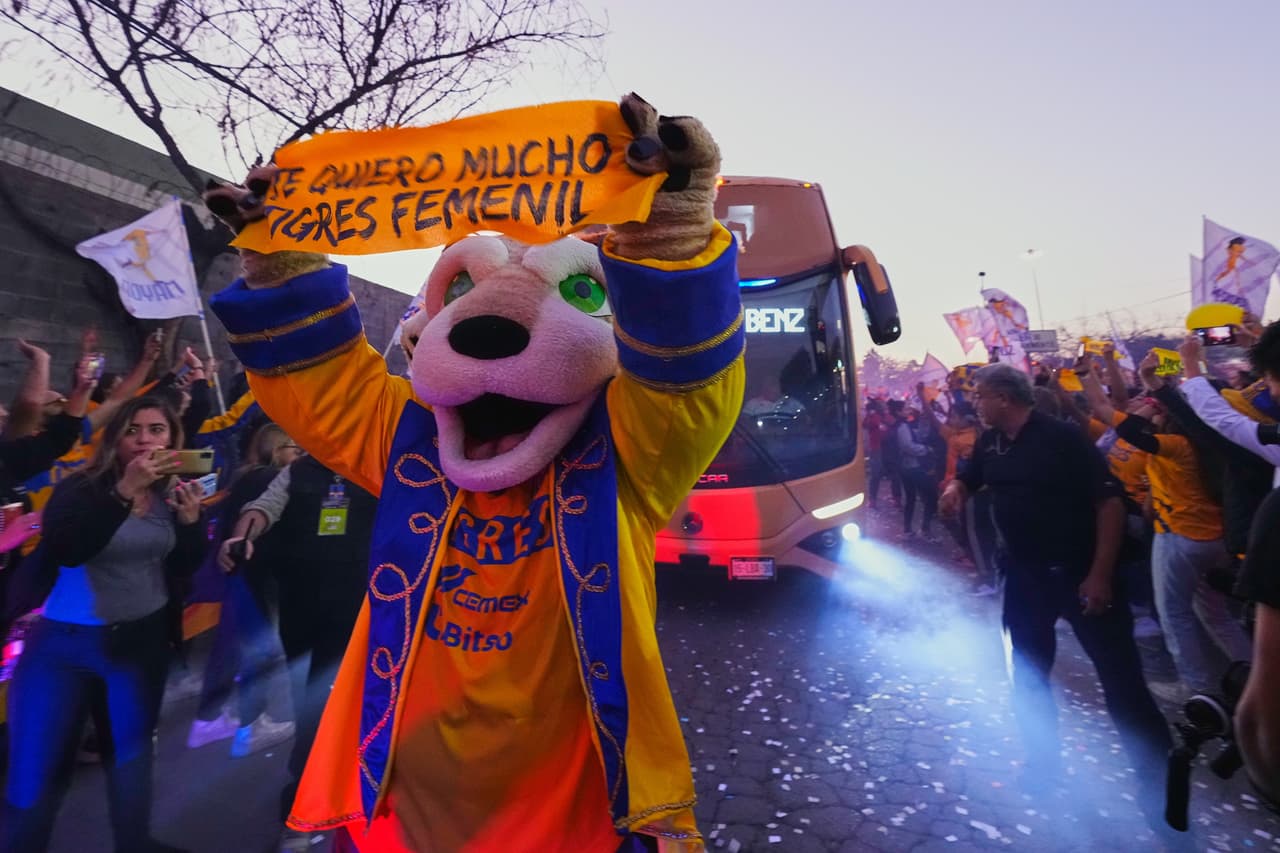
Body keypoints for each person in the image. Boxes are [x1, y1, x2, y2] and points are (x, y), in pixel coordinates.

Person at [939, 364, 1172, 829]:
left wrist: (1100, 575)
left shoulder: (1062, 438)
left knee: (1121, 684)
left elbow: (1108, 504)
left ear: (1004, 398)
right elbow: (973, 473)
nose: (975, 404)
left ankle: (1160, 785)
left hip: (1080, 574)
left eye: (980, 396)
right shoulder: (991, 441)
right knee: (1027, 677)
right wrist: (956, 487)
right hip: (1025, 581)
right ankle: (1043, 766)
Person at [2, 396, 206, 853]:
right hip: (64, 647)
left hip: (139, 644)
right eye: (133, 429)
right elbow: (70, 547)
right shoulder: (81, 488)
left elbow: (184, 564)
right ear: (115, 438)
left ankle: (134, 842)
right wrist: (122, 493)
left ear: (172, 439)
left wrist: (191, 523)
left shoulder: (169, 492)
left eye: (157, 430)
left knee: (131, 760)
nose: (144, 440)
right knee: (38, 772)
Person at [219, 452, 377, 832]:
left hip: (357, 608)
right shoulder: (299, 471)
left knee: (336, 700)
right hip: (301, 606)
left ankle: (317, 789)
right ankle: (313, 791)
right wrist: (242, 535)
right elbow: (263, 508)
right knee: (309, 697)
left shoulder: (376, 464)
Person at [1117, 354, 1251, 700]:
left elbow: (1128, 429)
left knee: (1174, 615)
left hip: (1179, 537)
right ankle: (1254, 676)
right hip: (1217, 537)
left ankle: (1198, 689)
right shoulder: (1224, 443)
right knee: (1217, 615)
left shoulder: (1176, 445)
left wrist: (1150, 402)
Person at [187, 422, 300, 756]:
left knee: (234, 648)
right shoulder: (268, 479)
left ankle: (210, 720)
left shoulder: (248, 476)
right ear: (277, 450)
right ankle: (249, 726)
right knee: (258, 652)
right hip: (252, 575)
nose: (299, 455)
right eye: (294, 448)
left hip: (240, 574)